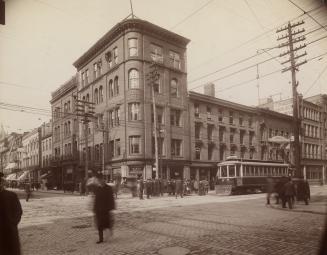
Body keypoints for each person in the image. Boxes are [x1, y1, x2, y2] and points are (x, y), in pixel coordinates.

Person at [0, 172, 23, 255]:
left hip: (9, 230)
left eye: (0, 182)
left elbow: (18, 211)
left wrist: (13, 223)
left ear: (2, 183)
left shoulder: (11, 195)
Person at [93, 173, 115, 244]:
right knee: (99, 225)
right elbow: (96, 199)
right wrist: (94, 209)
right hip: (99, 210)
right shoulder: (98, 189)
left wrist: (111, 209)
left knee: (107, 224)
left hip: (106, 210)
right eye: (98, 180)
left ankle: (109, 233)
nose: (100, 181)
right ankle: (101, 239)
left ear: (103, 179)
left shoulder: (108, 188)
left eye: (101, 179)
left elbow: (111, 199)